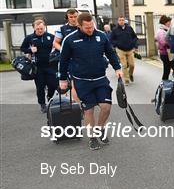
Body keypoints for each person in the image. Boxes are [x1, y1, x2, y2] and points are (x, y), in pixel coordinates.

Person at [58, 12, 123, 150]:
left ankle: (99, 129)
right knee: (89, 110)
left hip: (100, 79)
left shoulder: (101, 35)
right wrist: (62, 79)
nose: (90, 29)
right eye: (87, 27)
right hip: (82, 81)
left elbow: (110, 53)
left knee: (106, 107)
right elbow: (63, 61)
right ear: (79, 26)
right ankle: (92, 138)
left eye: (91, 26)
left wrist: (117, 68)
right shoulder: (70, 40)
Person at [20, 19, 57, 113]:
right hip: (37, 66)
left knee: (53, 84)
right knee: (40, 86)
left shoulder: (51, 36)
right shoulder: (30, 38)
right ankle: (42, 104)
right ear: (34, 28)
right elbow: (22, 48)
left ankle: (50, 96)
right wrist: (30, 50)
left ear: (44, 27)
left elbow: (57, 45)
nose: (40, 30)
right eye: (38, 29)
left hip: (50, 65)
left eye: (41, 28)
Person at [53, 8, 80, 100]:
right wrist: (63, 50)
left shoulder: (83, 27)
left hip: (83, 58)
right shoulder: (62, 29)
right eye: (71, 17)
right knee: (74, 83)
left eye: (75, 17)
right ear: (67, 17)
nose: (73, 19)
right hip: (69, 60)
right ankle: (78, 105)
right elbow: (55, 43)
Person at [109, 16, 138, 85]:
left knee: (132, 65)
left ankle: (130, 74)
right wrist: (116, 44)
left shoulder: (129, 28)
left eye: (122, 20)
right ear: (118, 21)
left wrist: (135, 46)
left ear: (124, 21)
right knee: (124, 65)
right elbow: (111, 40)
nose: (121, 21)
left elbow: (135, 37)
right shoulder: (115, 30)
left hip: (130, 49)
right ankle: (127, 79)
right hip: (120, 50)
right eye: (120, 20)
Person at [155, 15, 173, 80]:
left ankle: (165, 83)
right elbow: (163, 42)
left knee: (167, 70)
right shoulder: (161, 31)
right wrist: (171, 43)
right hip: (166, 54)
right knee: (171, 69)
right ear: (165, 22)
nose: (170, 23)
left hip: (167, 53)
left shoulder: (165, 30)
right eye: (169, 22)